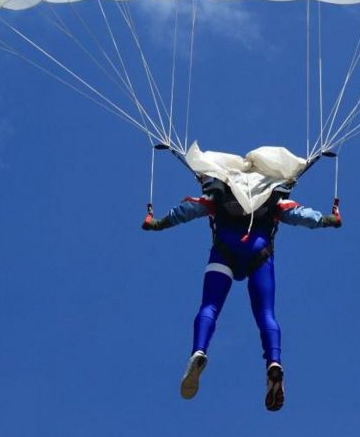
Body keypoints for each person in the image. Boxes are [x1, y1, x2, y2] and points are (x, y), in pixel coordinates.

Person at [143, 176, 341, 411]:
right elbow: (301, 215)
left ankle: (198, 350)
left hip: (224, 250)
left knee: (210, 306)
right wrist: (329, 219)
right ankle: (273, 363)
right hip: (259, 253)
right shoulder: (270, 196)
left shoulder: (218, 194)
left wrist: (157, 223)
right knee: (266, 315)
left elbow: (187, 210)